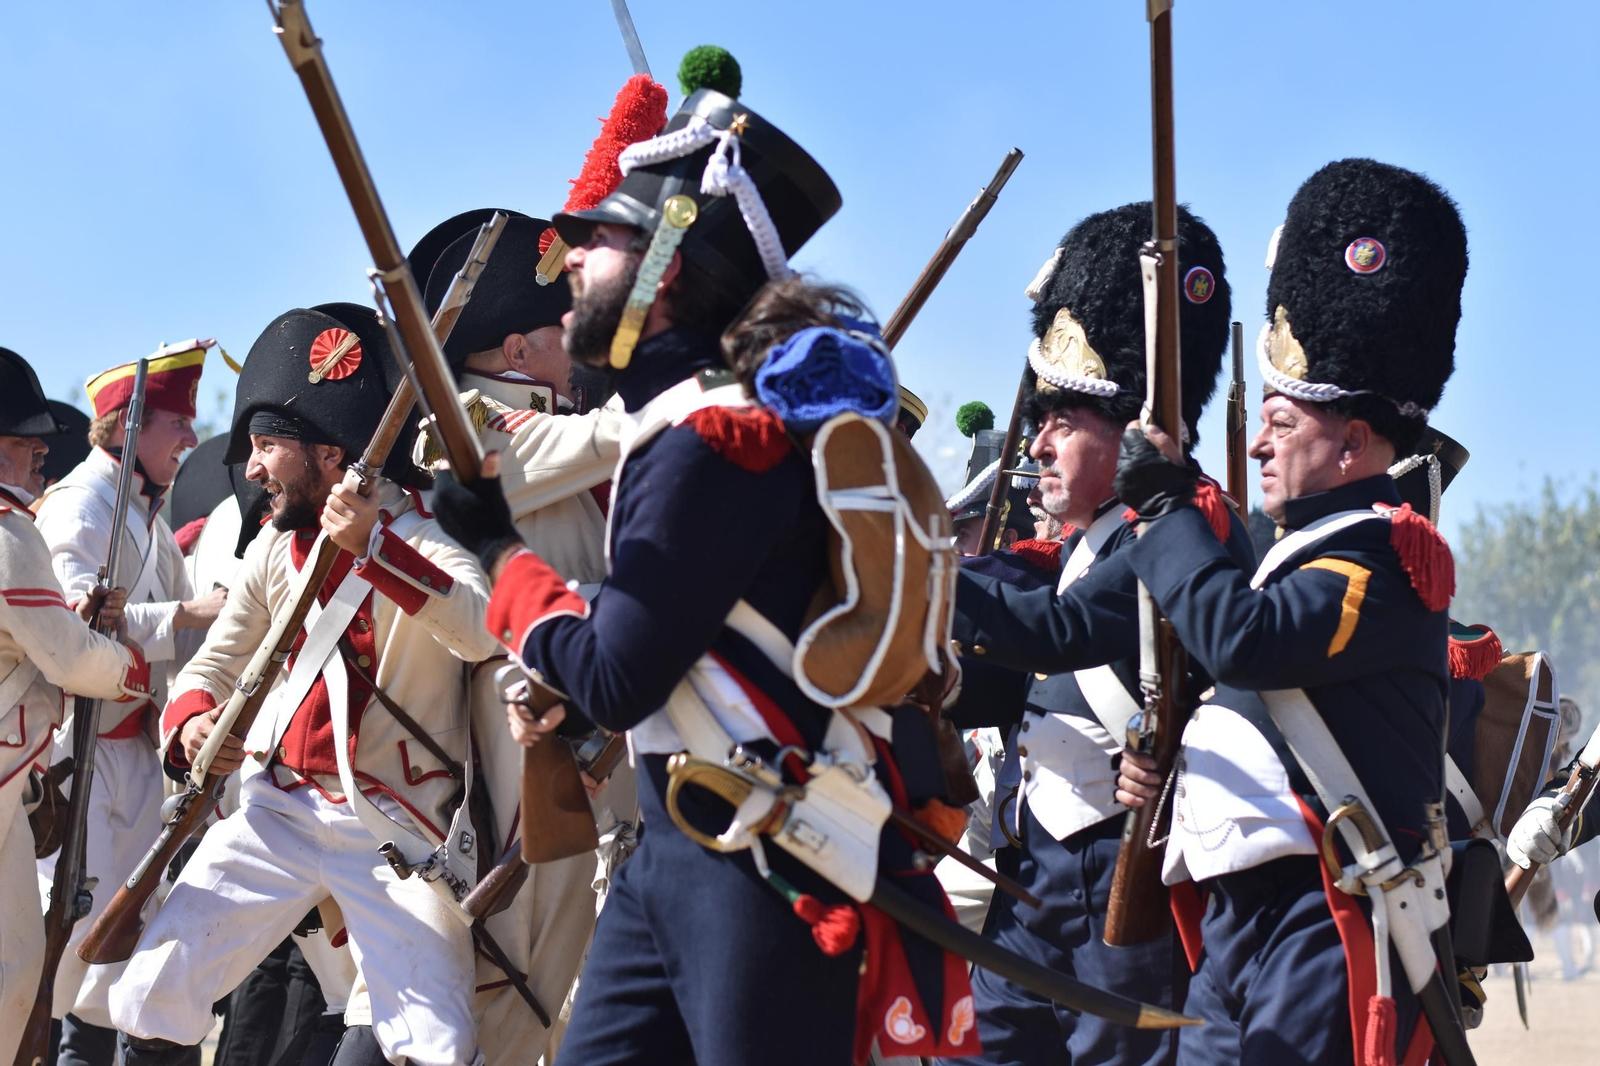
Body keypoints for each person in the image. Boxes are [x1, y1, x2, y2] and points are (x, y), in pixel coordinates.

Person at [435, 82, 980, 1065]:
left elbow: (614, 676)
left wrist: (493, 553)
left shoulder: (715, 440)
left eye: (599, 243)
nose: (572, 274)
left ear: (660, 275)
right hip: (685, 856)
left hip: (762, 873)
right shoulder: (695, 431)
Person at [1113, 158, 1467, 1065]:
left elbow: (1246, 638)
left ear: (1353, 440)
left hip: (1321, 908)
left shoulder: (1387, 553)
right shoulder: (1293, 554)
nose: (1261, 440)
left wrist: (1161, 511)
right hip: (1240, 917)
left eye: (1283, 420)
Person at [107, 303, 497, 1066]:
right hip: (276, 809)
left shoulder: (415, 535)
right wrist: (189, 722)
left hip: (390, 823)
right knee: (152, 991)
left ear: (327, 455)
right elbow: (214, 665)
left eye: (267, 447)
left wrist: (375, 548)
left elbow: (482, 625)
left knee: (436, 1040)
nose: (249, 468)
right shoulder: (271, 554)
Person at [934, 202, 1242, 1066]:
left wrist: (915, 570)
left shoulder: (1184, 529)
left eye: (1063, 423)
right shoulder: (1076, 547)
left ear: (1135, 436)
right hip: (1034, 871)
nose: (1038, 443)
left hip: (1122, 870)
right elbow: (1009, 680)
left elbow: (1057, 631)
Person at [33, 340, 225, 1066]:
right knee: (71, 952)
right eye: (175, 420)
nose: (190, 437)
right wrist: (186, 615)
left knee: (116, 944)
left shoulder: (144, 515)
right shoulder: (81, 506)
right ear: (124, 428)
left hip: (134, 748)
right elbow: (76, 629)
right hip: (79, 754)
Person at [0, 346, 150, 1066]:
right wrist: (121, 666)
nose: (39, 454)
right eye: (25, 441)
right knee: (11, 975)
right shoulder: (6, 531)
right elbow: (64, 657)